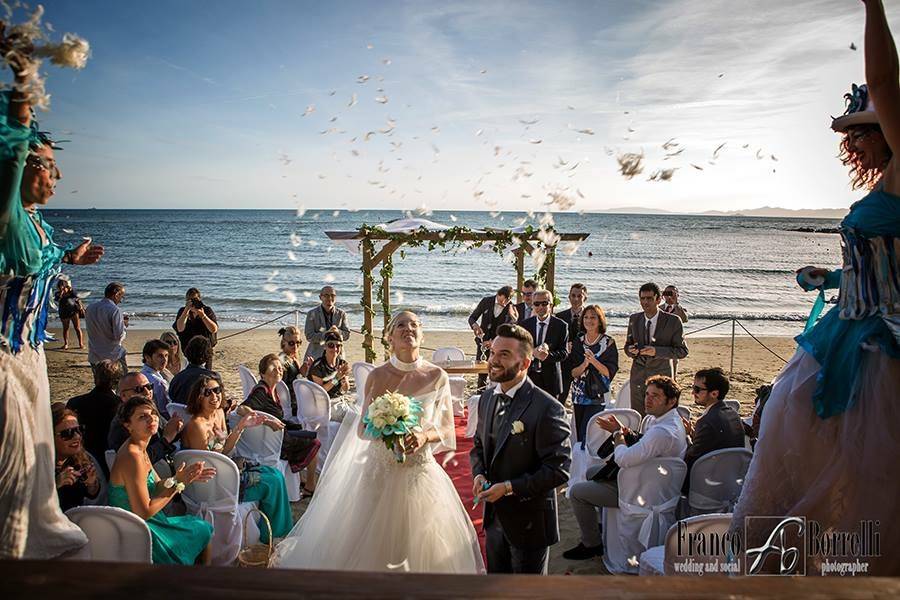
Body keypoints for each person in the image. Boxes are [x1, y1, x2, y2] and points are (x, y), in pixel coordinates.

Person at [732, 0, 900, 575]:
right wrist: (833, 278)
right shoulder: (886, 184)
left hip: (880, 346)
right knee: (817, 453)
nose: (854, 143)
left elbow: (883, 77)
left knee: (872, 471)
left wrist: (873, 4)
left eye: (863, 130)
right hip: (847, 330)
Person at [272, 310, 484, 573]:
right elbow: (361, 429)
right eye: (401, 325)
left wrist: (422, 436)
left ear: (421, 333)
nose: (409, 329)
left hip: (419, 470)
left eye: (415, 324)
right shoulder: (378, 376)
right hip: (379, 470)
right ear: (389, 338)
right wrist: (387, 429)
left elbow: (445, 428)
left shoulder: (436, 376)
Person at [0, 37, 104, 559]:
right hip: (4, 360)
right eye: (44, 163)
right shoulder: (7, 218)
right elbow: (13, 142)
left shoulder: (34, 226)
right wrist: (23, 79)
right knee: (13, 474)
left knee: (36, 469)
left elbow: (41, 258)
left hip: (32, 358)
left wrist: (71, 258)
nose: (55, 174)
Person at [470, 323, 571, 574]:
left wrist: (508, 488)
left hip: (530, 523)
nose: (493, 360)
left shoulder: (547, 408)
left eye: (504, 355)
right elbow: (479, 445)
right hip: (494, 520)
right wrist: (479, 473)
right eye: (493, 352)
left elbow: (559, 471)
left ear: (525, 363)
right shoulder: (486, 398)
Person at [563, 375, 686, 560]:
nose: (648, 399)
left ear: (672, 401)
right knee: (590, 472)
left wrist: (618, 435)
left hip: (642, 489)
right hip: (649, 478)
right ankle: (600, 525)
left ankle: (591, 544)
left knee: (576, 492)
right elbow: (647, 444)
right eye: (647, 394)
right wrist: (627, 431)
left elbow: (623, 459)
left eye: (656, 396)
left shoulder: (663, 431)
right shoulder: (668, 420)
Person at [181, 375, 294, 542]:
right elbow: (206, 465)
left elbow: (226, 448)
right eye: (208, 393)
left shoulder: (218, 413)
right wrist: (234, 463)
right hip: (213, 483)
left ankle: (272, 532)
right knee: (271, 482)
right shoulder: (196, 425)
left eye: (217, 390)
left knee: (275, 474)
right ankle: (274, 536)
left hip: (227, 469)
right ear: (198, 397)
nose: (215, 396)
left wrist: (241, 426)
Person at [108, 395, 214, 564]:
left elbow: (157, 485)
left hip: (148, 522)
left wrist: (179, 477)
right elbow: (143, 512)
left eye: (153, 413)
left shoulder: (140, 447)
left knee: (201, 526)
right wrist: (179, 485)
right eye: (142, 417)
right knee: (202, 529)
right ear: (128, 426)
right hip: (139, 532)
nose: (151, 418)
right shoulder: (132, 455)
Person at [243, 353, 321, 496]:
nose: (278, 370)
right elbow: (242, 409)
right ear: (262, 373)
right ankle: (310, 486)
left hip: (276, 437)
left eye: (280, 368)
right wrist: (267, 421)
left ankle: (300, 478)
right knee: (314, 441)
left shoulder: (273, 390)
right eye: (273, 368)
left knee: (307, 432)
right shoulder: (261, 391)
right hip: (275, 442)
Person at [625, 283, 688, 416]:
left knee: (662, 415)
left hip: (661, 376)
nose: (645, 302)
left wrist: (656, 351)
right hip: (638, 376)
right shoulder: (634, 319)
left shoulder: (673, 321)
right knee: (638, 415)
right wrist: (631, 351)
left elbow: (682, 351)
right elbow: (627, 346)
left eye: (649, 298)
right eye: (642, 298)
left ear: (658, 300)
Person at [681, 368, 744, 492]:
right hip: (731, 481)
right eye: (693, 388)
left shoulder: (706, 421)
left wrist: (686, 437)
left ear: (714, 394)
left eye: (697, 390)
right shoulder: (733, 414)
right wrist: (694, 434)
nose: (693, 393)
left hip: (707, 485)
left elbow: (690, 458)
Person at [569, 305, 619, 448]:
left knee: (589, 434)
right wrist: (585, 364)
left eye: (593, 317)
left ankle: (588, 463)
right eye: (586, 317)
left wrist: (594, 361)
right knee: (579, 434)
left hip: (597, 394)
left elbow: (609, 372)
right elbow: (573, 373)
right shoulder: (578, 342)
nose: (589, 320)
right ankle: (581, 463)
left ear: (600, 320)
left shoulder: (608, 342)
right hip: (579, 395)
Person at [107, 372, 182, 466]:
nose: (147, 392)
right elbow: (139, 462)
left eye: (149, 386)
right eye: (139, 389)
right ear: (123, 396)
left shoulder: (149, 410)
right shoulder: (123, 423)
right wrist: (166, 440)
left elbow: (168, 430)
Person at [66, 358, 123, 477]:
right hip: (112, 460)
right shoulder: (121, 405)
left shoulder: (75, 402)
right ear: (118, 380)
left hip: (82, 458)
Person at [52, 403, 105, 512]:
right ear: (49, 436)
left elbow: (94, 497)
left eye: (79, 430)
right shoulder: (35, 466)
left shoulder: (84, 458)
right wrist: (55, 485)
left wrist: (91, 484)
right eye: (67, 433)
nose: (77, 436)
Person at [520, 289, 569, 399]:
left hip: (551, 379)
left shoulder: (561, 326)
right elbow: (520, 349)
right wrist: (532, 353)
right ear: (533, 305)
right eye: (537, 304)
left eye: (544, 303)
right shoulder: (525, 325)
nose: (540, 307)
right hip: (530, 377)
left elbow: (564, 353)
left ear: (550, 305)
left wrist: (548, 356)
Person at [468, 285, 517, 389]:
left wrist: (494, 342)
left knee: (498, 372)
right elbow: (472, 318)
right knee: (481, 373)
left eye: (506, 301)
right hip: (482, 342)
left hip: (500, 346)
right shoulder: (486, 301)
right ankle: (480, 395)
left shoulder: (511, 308)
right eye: (501, 300)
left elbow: (509, 329)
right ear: (498, 294)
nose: (503, 303)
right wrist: (475, 326)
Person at [85, 282, 127, 372]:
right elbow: (118, 336)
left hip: (94, 354)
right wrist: (124, 326)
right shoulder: (115, 310)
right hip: (112, 355)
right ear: (116, 295)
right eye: (121, 296)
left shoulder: (90, 307)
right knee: (121, 382)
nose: (121, 301)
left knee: (100, 383)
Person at [556, 283, 588, 403]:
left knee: (582, 399)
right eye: (573, 295)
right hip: (565, 363)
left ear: (585, 298)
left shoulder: (590, 317)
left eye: (579, 296)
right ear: (569, 297)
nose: (576, 299)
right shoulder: (560, 316)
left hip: (583, 362)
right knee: (561, 397)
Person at [173, 288, 218, 370]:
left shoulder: (206, 310)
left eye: (195, 300)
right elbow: (180, 328)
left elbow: (214, 329)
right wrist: (186, 310)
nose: (193, 303)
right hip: (188, 350)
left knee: (205, 376)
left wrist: (203, 316)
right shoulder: (183, 311)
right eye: (190, 300)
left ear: (199, 299)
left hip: (205, 350)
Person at [303, 285, 351, 361]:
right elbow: (309, 336)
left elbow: (347, 334)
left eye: (332, 295)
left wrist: (337, 332)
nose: (330, 298)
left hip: (337, 355)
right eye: (326, 295)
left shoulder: (341, 314)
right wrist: (326, 334)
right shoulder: (311, 313)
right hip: (316, 355)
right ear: (320, 297)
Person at [168, 335, 219, 405]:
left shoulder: (177, 378)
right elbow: (217, 401)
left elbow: (172, 398)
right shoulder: (213, 377)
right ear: (208, 355)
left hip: (181, 414)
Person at [278, 325, 313, 417]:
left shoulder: (291, 357)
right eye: (291, 343)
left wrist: (305, 367)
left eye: (298, 342)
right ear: (283, 343)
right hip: (290, 403)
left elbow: (296, 376)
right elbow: (281, 386)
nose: (296, 346)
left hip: (295, 397)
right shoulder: (283, 360)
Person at [140, 339, 170, 419]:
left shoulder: (141, 374)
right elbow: (164, 410)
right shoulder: (157, 381)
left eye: (166, 355)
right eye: (160, 356)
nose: (165, 360)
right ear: (147, 357)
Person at [54, 278, 84, 349]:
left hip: (73, 311)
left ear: (66, 286)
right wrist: (61, 293)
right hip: (63, 312)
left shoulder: (71, 292)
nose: (62, 289)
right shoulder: (58, 293)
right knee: (65, 328)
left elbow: (78, 298)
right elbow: (57, 300)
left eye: (63, 287)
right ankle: (66, 344)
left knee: (77, 328)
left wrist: (81, 307)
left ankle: (81, 343)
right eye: (60, 287)